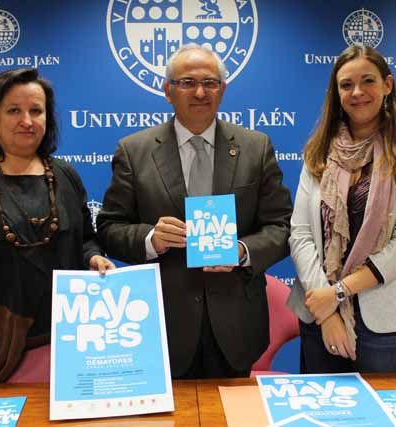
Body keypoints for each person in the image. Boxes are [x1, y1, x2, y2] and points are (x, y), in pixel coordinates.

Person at [96, 44, 292, 379]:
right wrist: (150, 238)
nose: (200, 92)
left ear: (223, 89)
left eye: (210, 82)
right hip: (160, 324)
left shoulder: (256, 148)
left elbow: (282, 226)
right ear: (168, 91)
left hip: (237, 325)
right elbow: (109, 228)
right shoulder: (134, 151)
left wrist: (241, 251)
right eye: (187, 82)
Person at [0, 68, 114, 390]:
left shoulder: (66, 176)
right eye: (14, 110)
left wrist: (94, 257)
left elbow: (85, 239)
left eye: (36, 111)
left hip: (69, 342)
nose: (27, 120)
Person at [287, 45, 396, 373]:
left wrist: (339, 293)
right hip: (318, 314)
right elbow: (300, 234)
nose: (357, 92)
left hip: (387, 321)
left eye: (367, 81)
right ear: (336, 92)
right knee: (322, 419)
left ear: (387, 85)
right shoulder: (317, 153)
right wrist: (325, 306)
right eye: (346, 85)